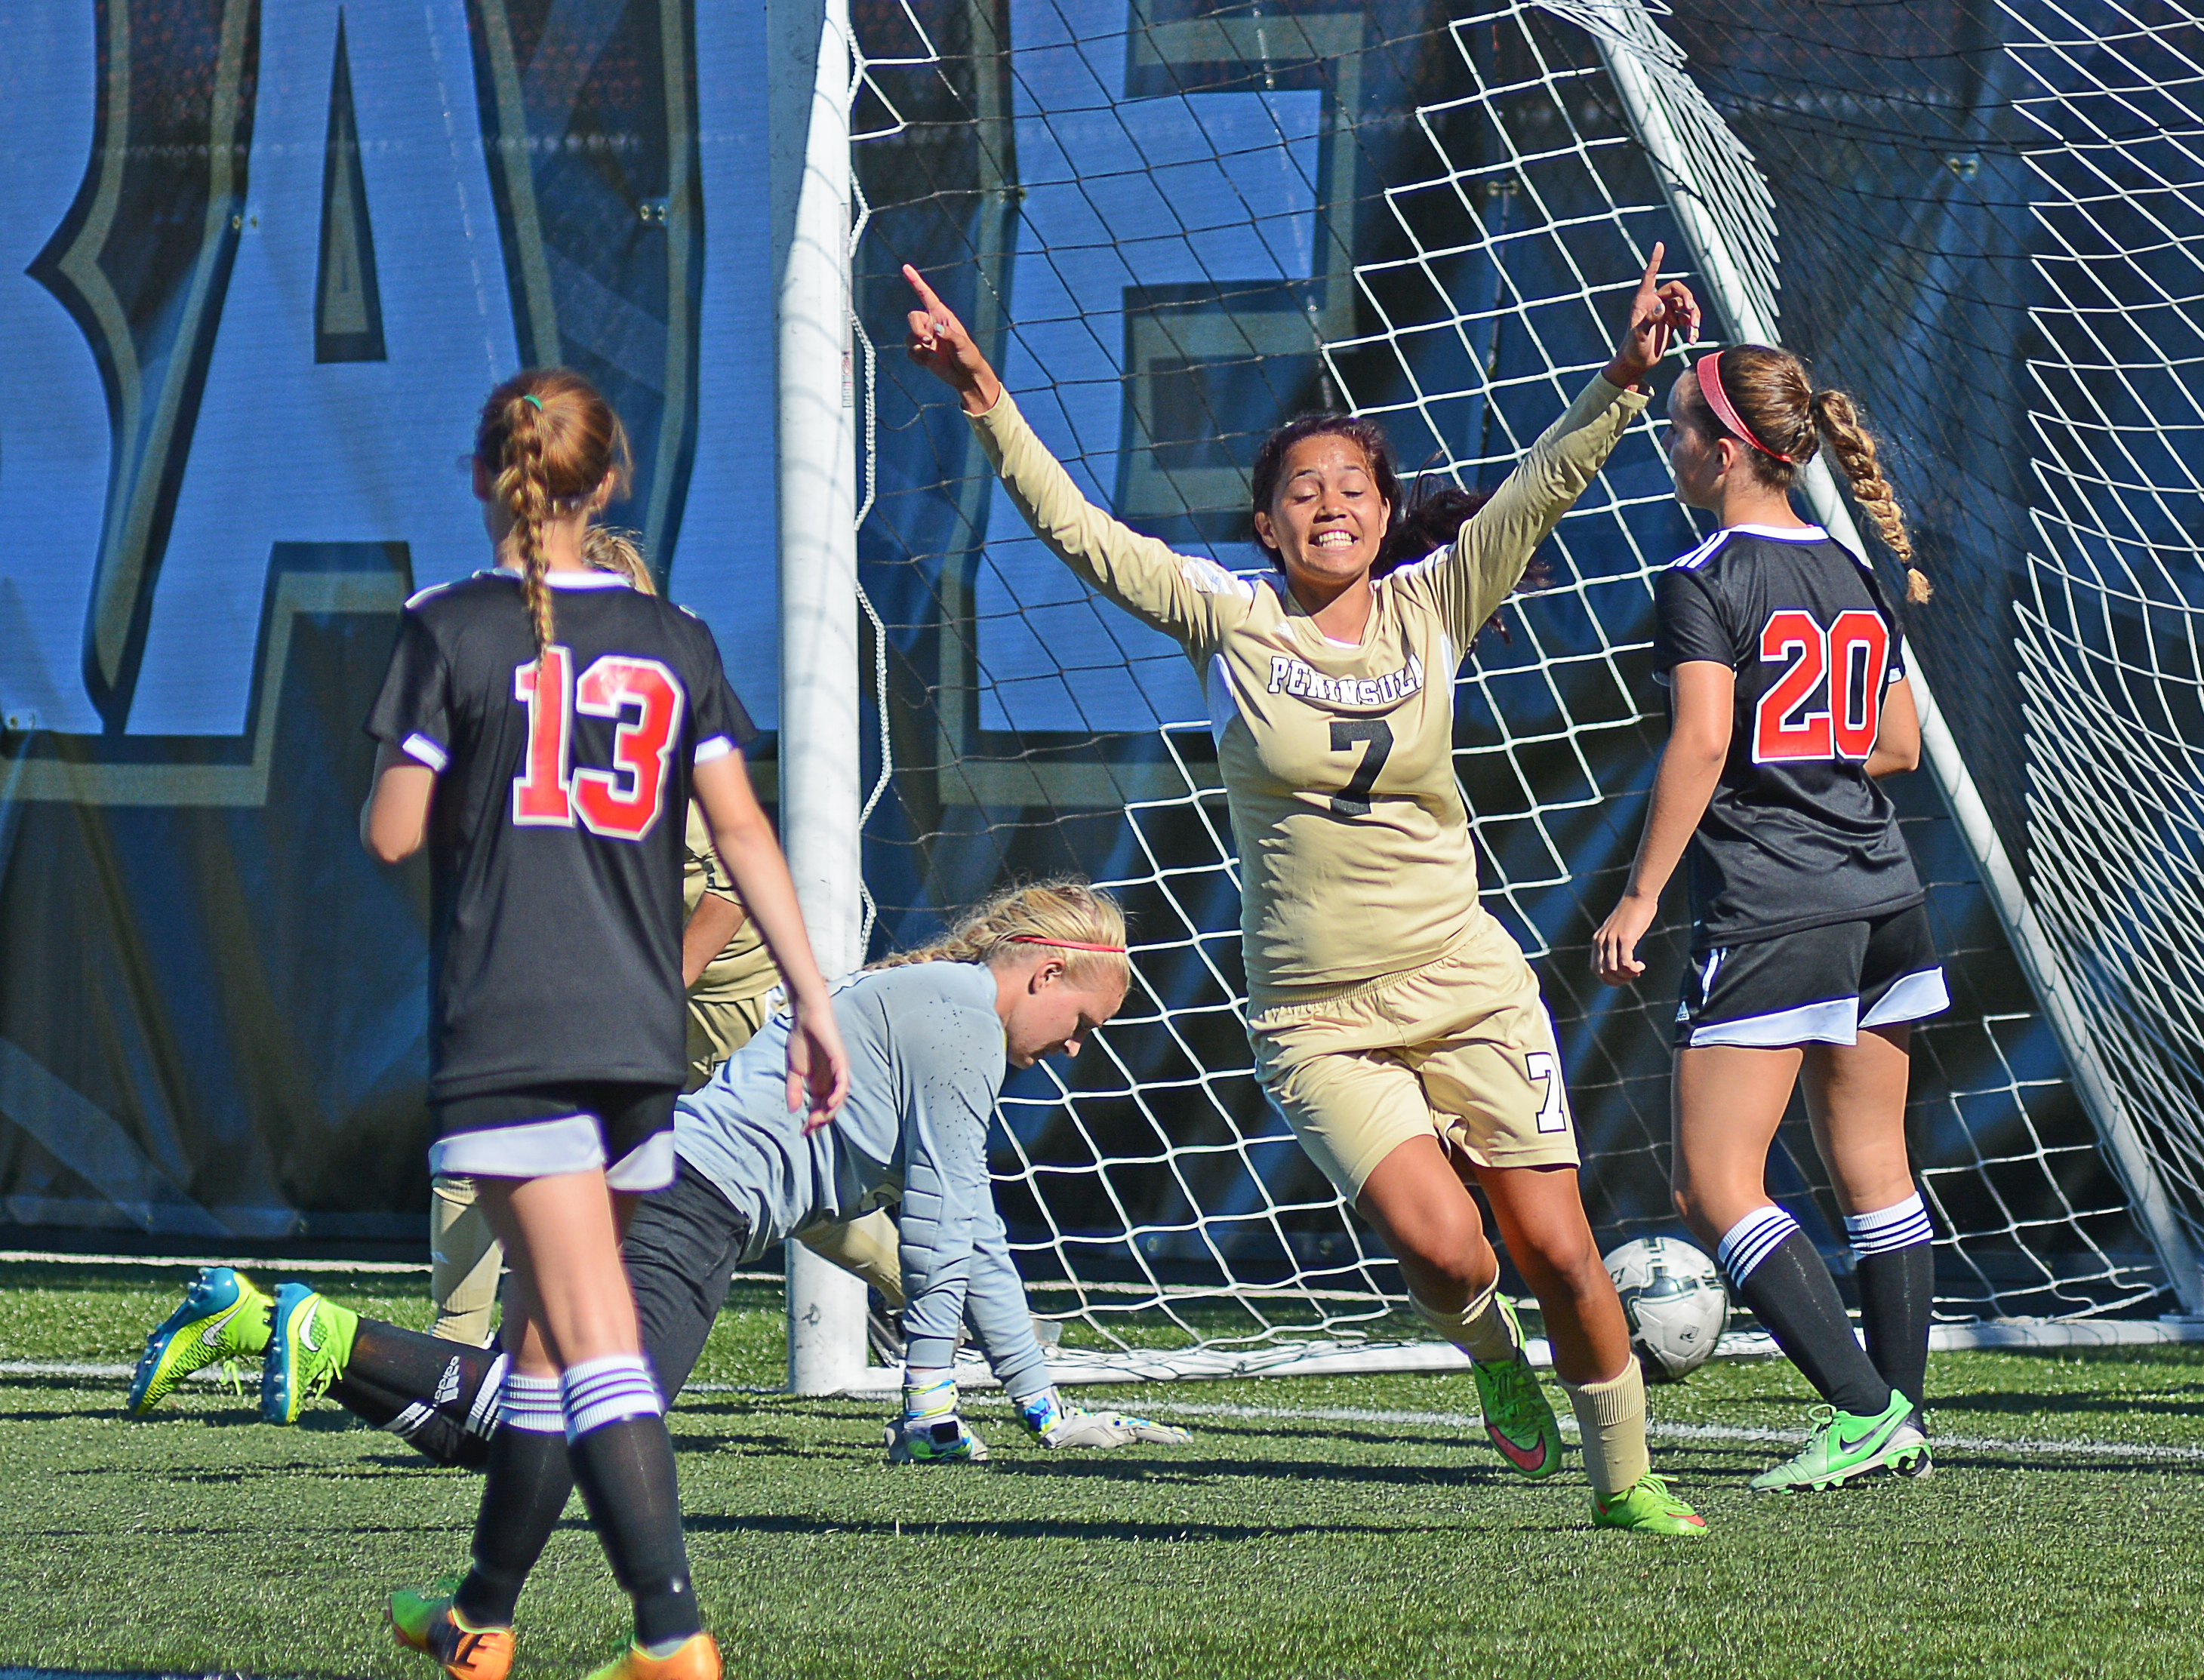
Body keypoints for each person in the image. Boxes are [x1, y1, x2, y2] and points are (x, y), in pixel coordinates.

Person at [900, 251, 1707, 1533]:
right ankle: (1491, 1359)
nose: (1328, 502)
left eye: (1350, 486)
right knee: (1450, 1250)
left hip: (1465, 982)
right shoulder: (1227, 618)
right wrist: (988, 394)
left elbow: (1542, 485)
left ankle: (1629, 1485)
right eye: (1299, 490)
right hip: (1316, 1015)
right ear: (1267, 524)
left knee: (1558, 1247)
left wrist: (1622, 376)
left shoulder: (1434, 600)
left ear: (1385, 514)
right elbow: (1081, 535)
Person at [361, 368, 849, 1680]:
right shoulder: (674, 638)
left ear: (484, 478)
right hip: (642, 1036)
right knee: (543, 1337)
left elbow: (392, 829)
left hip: (520, 1017)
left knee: (585, 1326)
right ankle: (481, 1613)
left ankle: (668, 1625)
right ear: (610, 484)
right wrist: (810, 997)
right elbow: (741, 833)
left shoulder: (449, 628)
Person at [124, 882, 1188, 1490]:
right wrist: (931, 1402)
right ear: (1045, 972)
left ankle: (269, 1319)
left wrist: (1043, 1408)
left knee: (492, 1437)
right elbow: (948, 1225)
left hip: (661, 1194)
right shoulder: (966, 1020)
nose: (1078, 1048)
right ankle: (326, 1330)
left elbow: (975, 1232)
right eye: (1084, 1024)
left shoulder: (943, 1002)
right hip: (680, 1207)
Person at [1591, 343, 1944, 1495]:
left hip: (1775, 902)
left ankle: (1861, 1410)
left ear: (1733, 446)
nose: (1673, 442)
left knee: (1715, 1183)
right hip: (1881, 888)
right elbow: (1896, 744)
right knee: (1874, 1165)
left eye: (1685, 425)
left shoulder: (1704, 577)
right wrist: (1806, 749)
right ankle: (1902, 1418)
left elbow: (1699, 741)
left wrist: (1639, 895)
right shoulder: (1851, 564)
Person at [418, 528, 900, 1349]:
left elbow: (730, 887)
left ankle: (934, 1300)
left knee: (775, 1168)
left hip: (716, 985)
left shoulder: (661, 708)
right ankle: (453, 1350)